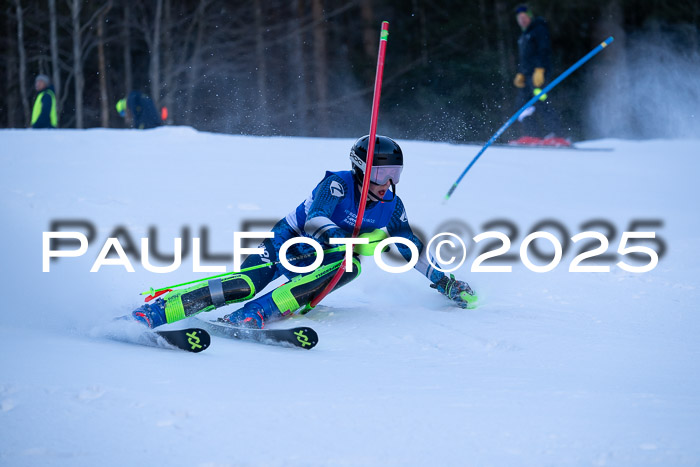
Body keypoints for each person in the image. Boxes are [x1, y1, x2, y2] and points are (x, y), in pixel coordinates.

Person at [131, 135, 478, 329]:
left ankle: (255, 314)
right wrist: (345, 238)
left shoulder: (393, 205)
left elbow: (408, 248)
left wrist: (444, 280)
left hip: (328, 259)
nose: (388, 184)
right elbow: (315, 221)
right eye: (381, 174)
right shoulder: (337, 185)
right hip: (288, 242)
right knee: (243, 284)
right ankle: (160, 311)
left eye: (395, 175)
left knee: (349, 265)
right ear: (361, 169)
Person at [512, 4, 569, 145]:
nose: (522, 20)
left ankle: (558, 135)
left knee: (541, 102)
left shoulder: (539, 29)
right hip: (527, 76)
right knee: (522, 106)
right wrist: (521, 73)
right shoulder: (524, 35)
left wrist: (540, 69)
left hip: (538, 75)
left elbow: (544, 50)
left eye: (524, 17)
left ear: (530, 17)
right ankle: (532, 135)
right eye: (520, 18)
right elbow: (525, 57)